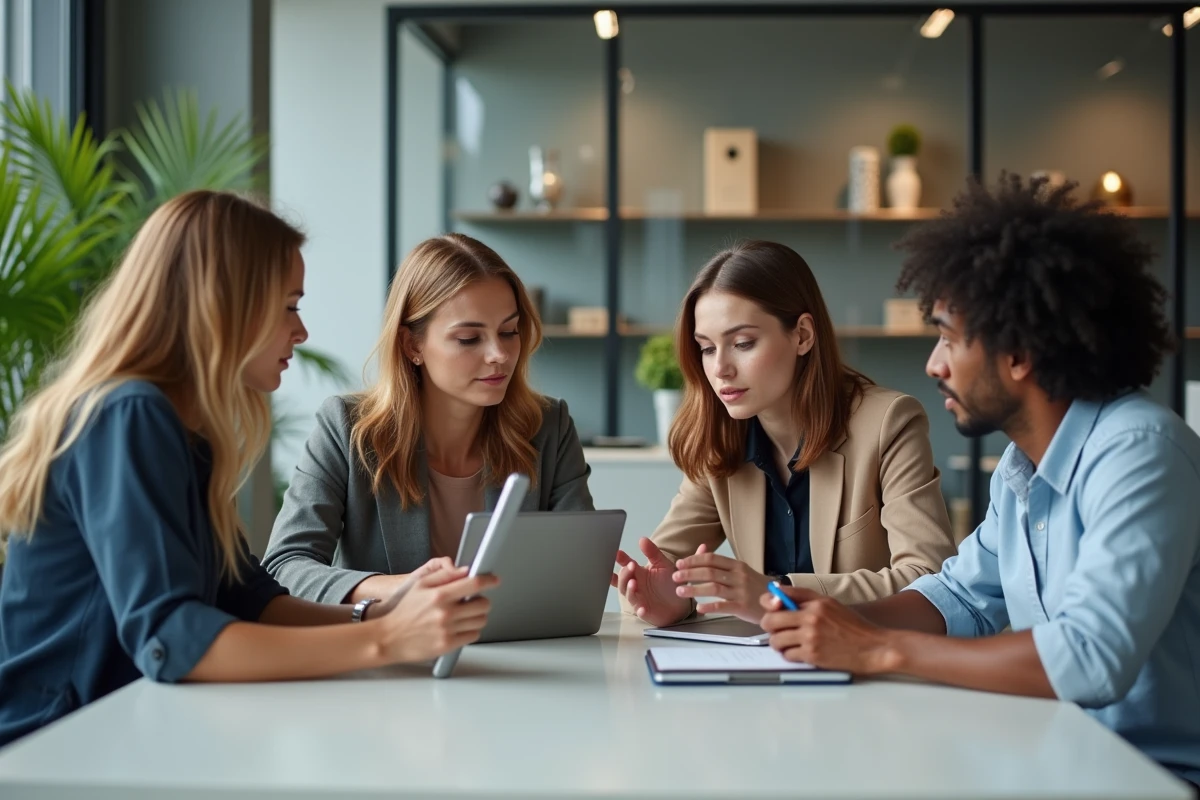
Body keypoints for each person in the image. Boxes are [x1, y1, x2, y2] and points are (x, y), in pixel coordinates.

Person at [0, 192, 496, 748]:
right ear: (222, 305)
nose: (301, 332)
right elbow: (172, 639)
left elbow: (249, 598)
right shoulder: (128, 415)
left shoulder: (185, 434)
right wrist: (386, 640)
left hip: (131, 735)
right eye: (288, 305)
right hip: (55, 750)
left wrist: (379, 612)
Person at [759, 174, 1200, 791]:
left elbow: (1090, 658)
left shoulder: (1139, 452)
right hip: (1059, 759)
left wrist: (876, 649)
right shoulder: (1022, 470)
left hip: (1155, 778)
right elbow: (961, 600)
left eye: (948, 336)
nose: (933, 364)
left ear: (1017, 352)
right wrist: (839, 617)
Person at [612, 240, 957, 626]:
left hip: (868, 668)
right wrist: (665, 600)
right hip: (762, 673)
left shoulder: (890, 423)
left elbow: (931, 582)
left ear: (803, 335)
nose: (721, 368)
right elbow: (661, 573)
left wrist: (779, 592)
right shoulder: (720, 440)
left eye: (743, 343)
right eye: (707, 349)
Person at [263, 233, 593, 604]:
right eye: (469, 338)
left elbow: (578, 573)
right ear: (412, 345)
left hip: (523, 651)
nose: (499, 354)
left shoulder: (549, 427)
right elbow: (285, 566)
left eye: (509, 331)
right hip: (391, 652)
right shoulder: (346, 428)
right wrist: (402, 589)